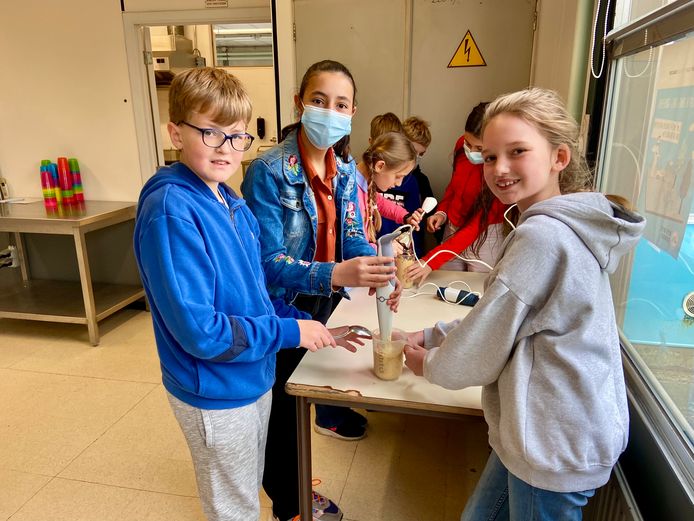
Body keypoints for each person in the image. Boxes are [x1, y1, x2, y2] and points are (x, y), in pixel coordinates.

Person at [403, 87, 646, 520]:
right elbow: (503, 319)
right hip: (542, 429)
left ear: (559, 157)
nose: (500, 168)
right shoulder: (562, 224)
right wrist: (430, 334)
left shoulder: (542, 237)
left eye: (517, 152)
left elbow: (484, 343)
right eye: (489, 157)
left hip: (553, 442)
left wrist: (430, 364)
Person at [132, 68, 348, 521]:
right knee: (234, 508)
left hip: (251, 374)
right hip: (214, 390)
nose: (226, 148)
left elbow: (257, 295)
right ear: (176, 132)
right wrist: (290, 332)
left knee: (246, 489)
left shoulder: (232, 204)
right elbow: (202, 332)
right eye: (210, 132)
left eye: (237, 136)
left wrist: (311, 326)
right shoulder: (172, 211)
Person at [241, 59, 401, 521]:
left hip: (325, 300)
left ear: (352, 113)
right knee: (284, 410)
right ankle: (290, 505)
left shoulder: (344, 169)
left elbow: (351, 235)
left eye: (341, 104)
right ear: (299, 103)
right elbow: (267, 263)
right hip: (283, 305)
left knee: (309, 394)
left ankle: (297, 478)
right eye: (319, 100)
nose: (330, 112)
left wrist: (376, 268)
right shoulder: (268, 171)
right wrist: (335, 274)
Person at [355, 131, 423, 248]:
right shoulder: (351, 192)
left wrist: (405, 217)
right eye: (398, 176)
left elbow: (379, 201)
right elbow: (352, 245)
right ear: (380, 166)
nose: (399, 183)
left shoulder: (363, 185)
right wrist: (382, 248)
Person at [379, 116, 436, 256]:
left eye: (421, 154)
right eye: (412, 151)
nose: (415, 157)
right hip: (374, 246)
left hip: (401, 250)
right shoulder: (374, 179)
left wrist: (414, 254)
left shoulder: (416, 182)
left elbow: (414, 224)